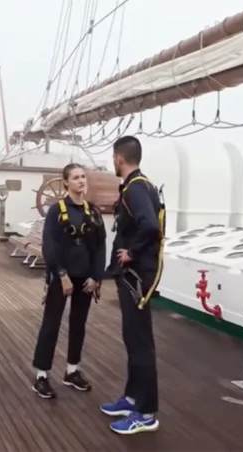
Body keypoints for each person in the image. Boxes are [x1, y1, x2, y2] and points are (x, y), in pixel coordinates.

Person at [99, 136, 165, 435]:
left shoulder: (136, 188)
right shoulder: (140, 185)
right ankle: (132, 398)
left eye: (113, 158)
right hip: (133, 276)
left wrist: (132, 252)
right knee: (132, 338)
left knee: (140, 343)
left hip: (137, 275)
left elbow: (150, 225)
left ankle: (147, 413)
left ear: (118, 159)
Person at [31, 163, 107, 399]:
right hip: (61, 277)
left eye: (83, 177)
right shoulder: (56, 211)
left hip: (85, 278)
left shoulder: (92, 211)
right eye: (75, 178)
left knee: (78, 324)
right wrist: (61, 275)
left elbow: (100, 246)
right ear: (66, 182)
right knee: (51, 324)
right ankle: (42, 375)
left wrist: (96, 276)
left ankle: (72, 371)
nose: (81, 181)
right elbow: (49, 245)